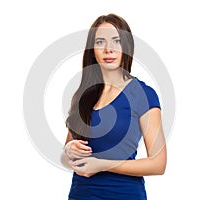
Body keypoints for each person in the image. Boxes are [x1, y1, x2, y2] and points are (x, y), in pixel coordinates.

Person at [61, 13, 167, 200]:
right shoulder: (81, 96)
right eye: (100, 42)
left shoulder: (142, 94)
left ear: (126, 47)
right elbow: (67, 156)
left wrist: (102, 165)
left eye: (116, 41)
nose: (108, 49)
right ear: (92, 49)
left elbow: (158, 164)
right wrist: (68, 150)